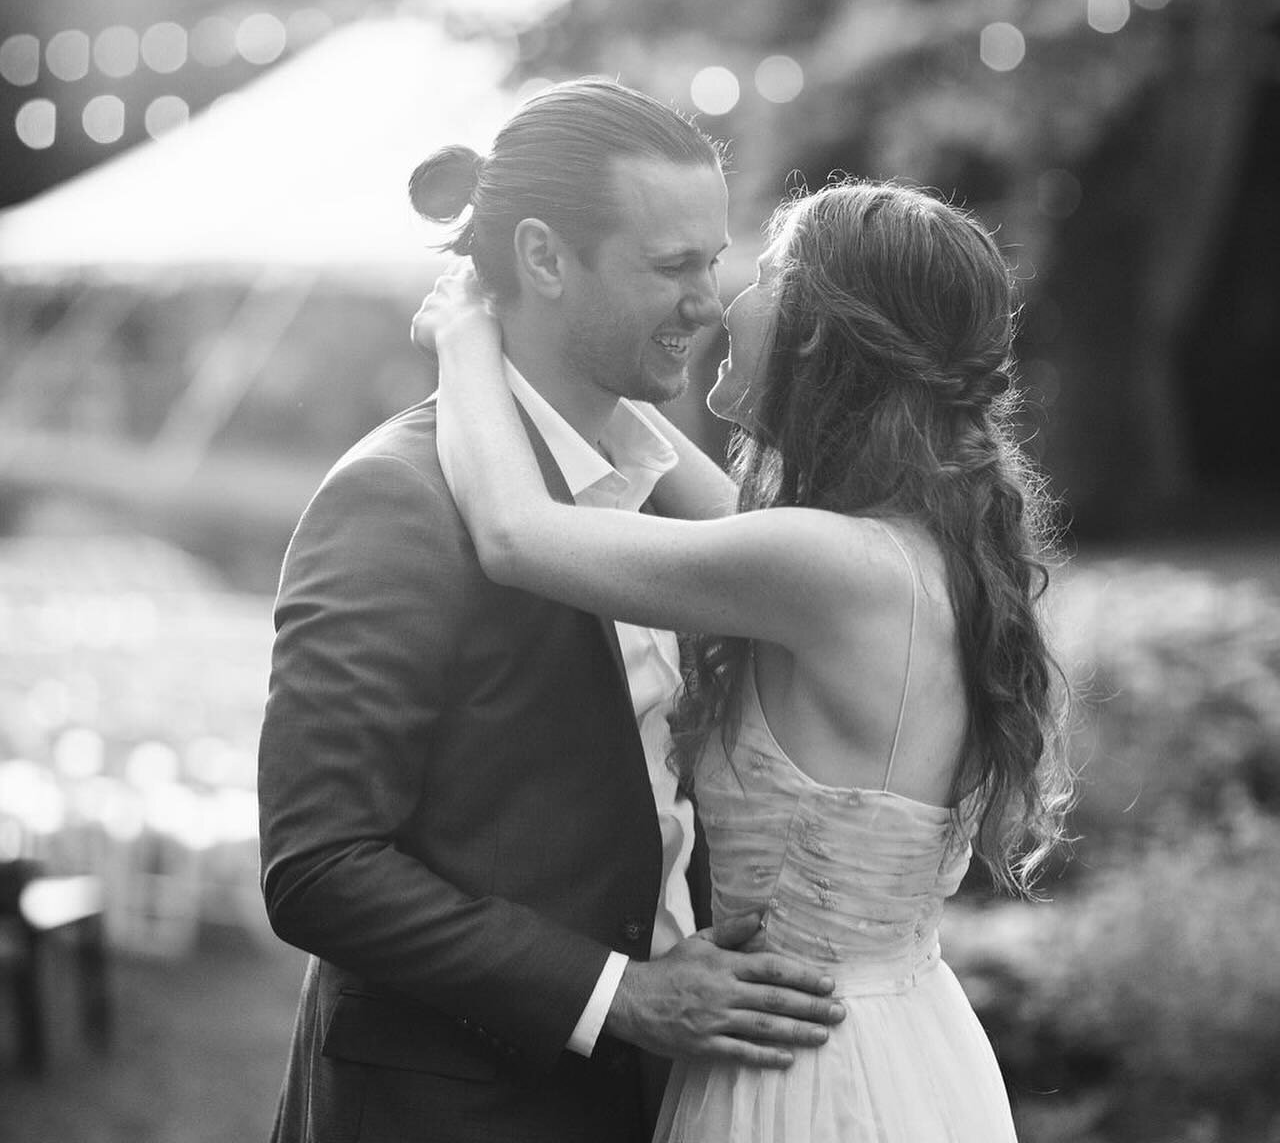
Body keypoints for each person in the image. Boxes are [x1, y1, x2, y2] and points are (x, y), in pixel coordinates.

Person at [413, 177, 1074, 1143]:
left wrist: (465, 337)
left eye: (763, 275)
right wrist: (562, 342)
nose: (724, 302)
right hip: (894, 1049)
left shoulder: (820, 565)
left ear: (820, 331)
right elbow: (687, 479)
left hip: (809, 1086)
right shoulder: (902, 548)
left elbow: (517, 536)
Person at [257, 78, 843, 1143]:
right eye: (670, 266)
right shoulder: (393, 498)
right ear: (540, 258)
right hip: (450, 1111)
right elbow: (318, 867)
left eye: (709, 260)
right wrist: (618, 994)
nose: (709, 302)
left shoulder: (663, 482)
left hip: (661, 1100)